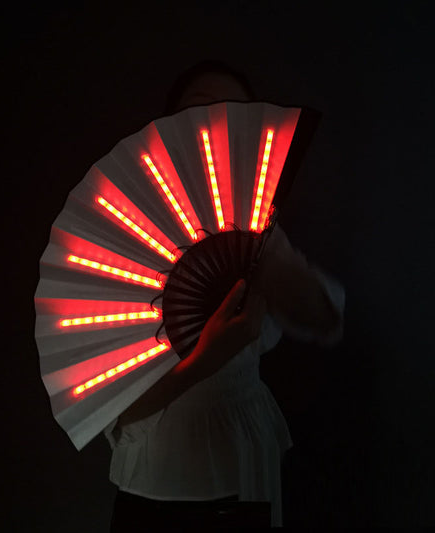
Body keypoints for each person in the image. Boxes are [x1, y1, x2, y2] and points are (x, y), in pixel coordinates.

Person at [104, 60, 346, 531]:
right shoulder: (128, 227)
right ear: (166, 126)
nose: (214, 122)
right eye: (198, 109)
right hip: (156, 471)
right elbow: (115, 408)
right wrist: (204, 359)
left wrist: (266, 252)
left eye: (233, 112)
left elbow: (321, 317)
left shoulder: (256, 223)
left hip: (243, 457)